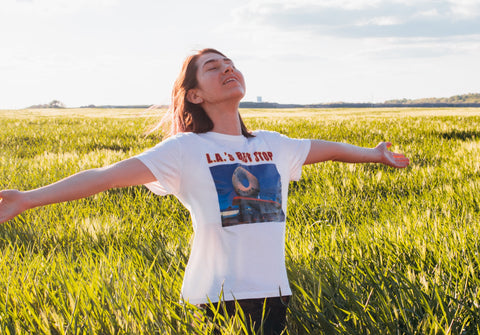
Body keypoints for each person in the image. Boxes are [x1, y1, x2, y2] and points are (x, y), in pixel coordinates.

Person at [0, 48, 410, 334]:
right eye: (214, 67)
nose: (228, 68)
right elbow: (105, 176)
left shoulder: (272, 143)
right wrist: (29, 198)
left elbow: (328, 150)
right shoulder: (186, 149)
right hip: (214, 298)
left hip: (275, 293)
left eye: (231, 63)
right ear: (195, 95)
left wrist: (374, 155)